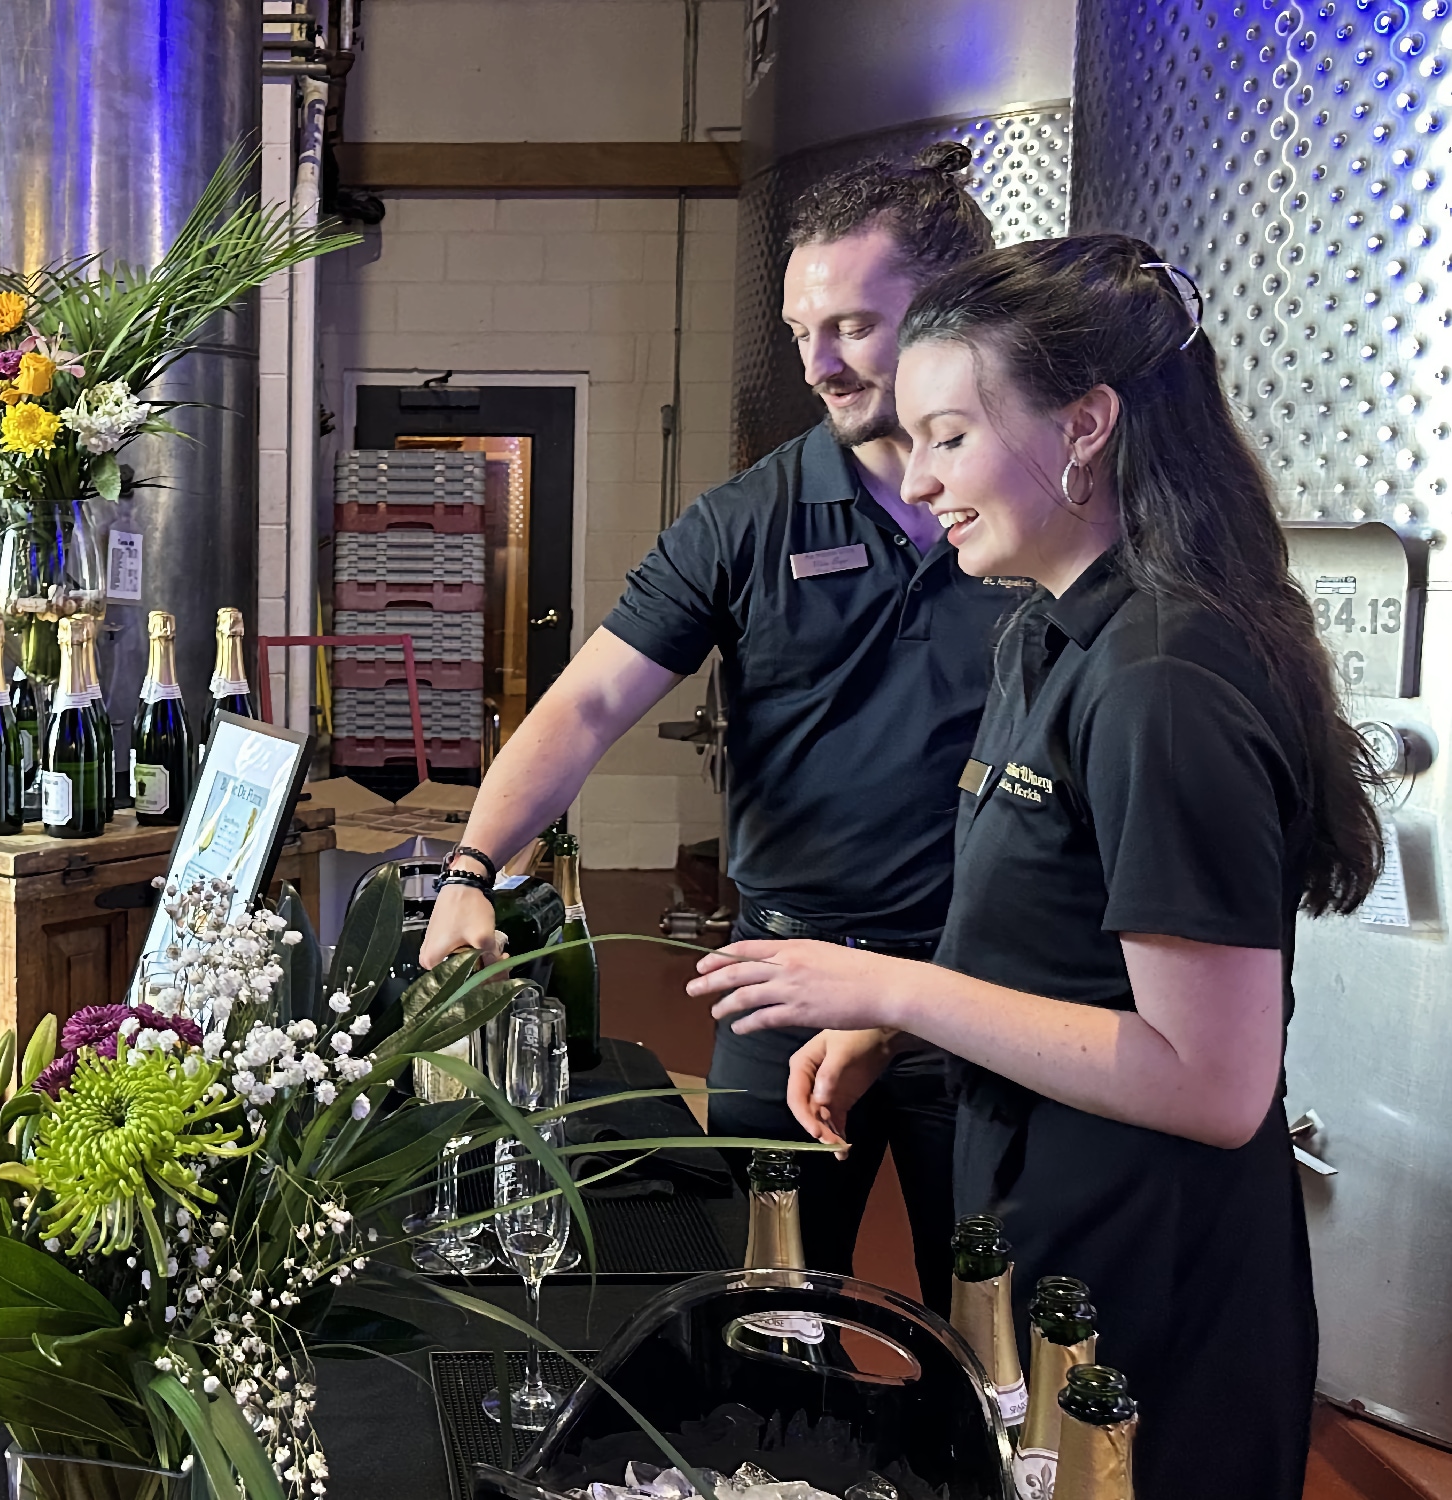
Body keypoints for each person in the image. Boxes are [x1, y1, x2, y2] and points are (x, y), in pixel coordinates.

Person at [692, 233, 1377, 1496]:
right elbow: (1044, 928)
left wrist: (889, 993)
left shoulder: (1162, 676)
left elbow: (1214, 1083)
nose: (920, 474)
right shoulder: (1047, 635)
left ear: (1085, 426)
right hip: (1039, 1227)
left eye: (950, 435)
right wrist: (896, 1029)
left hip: (1152, 1271)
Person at [418, 144, 1015, 1309]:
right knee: (762, 1323)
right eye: (800, 331)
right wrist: (470, 869)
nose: (818, 364)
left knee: (989, 1342)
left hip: (985, 988)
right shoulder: (750, 517)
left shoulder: (1031, 514)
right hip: (787, 977)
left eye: (851, 324)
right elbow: (588, 700)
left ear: (954, 314)